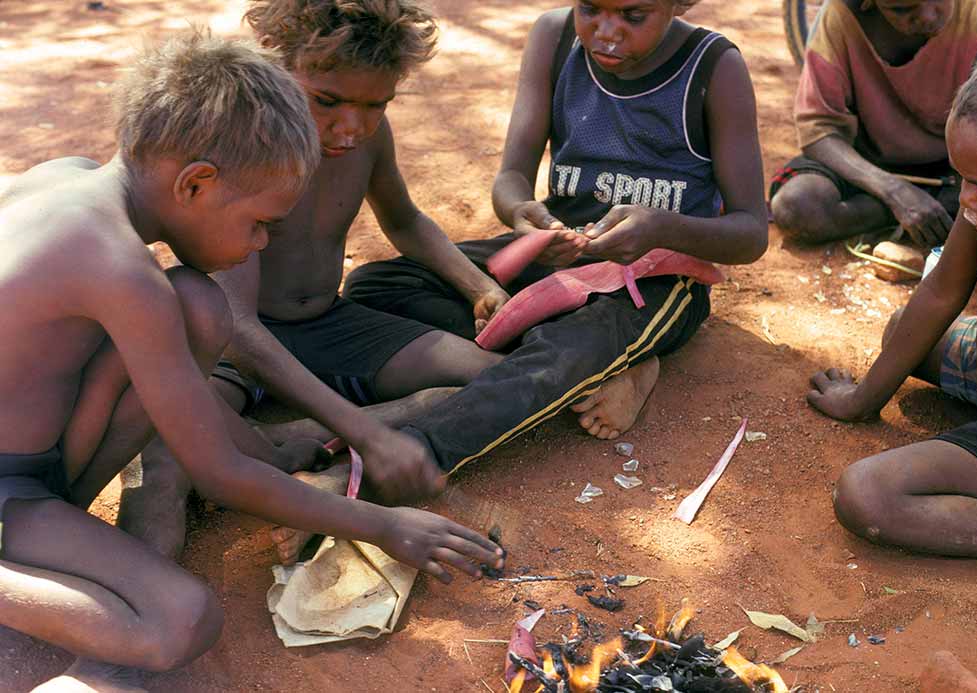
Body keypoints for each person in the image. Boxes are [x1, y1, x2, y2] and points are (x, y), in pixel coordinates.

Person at [0, 33, 502, 692]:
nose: (261, 243)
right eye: (260, 222)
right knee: (182, 619)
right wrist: (384, 524)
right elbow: (220, 472)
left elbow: (184, 402)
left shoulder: (67, 180)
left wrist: (269, 458)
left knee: (199, 307)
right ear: (197, 183)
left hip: (30, 460)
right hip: (12, 494)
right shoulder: (122, 274)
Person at [118, 0, 517, 562]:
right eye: (326, 100)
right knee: (163, 451)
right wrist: (367, 433)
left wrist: (479, 286)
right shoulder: (246, 150)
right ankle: (140, 594)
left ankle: (292, 435)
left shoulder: (367, 141)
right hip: (232, 348)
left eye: (375, 104)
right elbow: (236, 330)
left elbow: (402, 220)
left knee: (495, 379)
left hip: (327, 323)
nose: (350, 127)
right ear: (273, 69)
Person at [345, 0, 768, 469]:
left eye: (633, 16)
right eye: (590, 8)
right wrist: (521, 213)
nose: (607, 31)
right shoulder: (555, 36)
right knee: (375, 286)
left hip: (653, 278)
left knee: (569, 349)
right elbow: (511, 178)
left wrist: (661, 228)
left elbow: (750, 233)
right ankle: (605, 365)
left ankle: (412, 450)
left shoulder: (713, 67)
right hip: (555, 253)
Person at [808, 35, 977, 563]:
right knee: (903, 332)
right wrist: (864, 398)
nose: (968, 200)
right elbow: (939, 293)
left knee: (868, 494)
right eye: (962, 178)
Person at [769, 0, 977, 246]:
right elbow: (818, 132)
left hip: (949, 169)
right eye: (902, 9)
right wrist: (895, 192)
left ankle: (921, 210)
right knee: (797, 207)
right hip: (862, 163)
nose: (926, 16)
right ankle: (916, 211)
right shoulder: (839, 17)